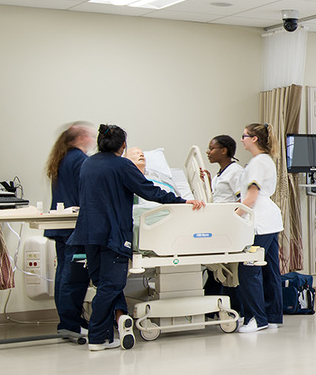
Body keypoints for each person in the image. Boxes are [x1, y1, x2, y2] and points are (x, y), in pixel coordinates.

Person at [67, 123, 203, 352]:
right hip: (113, 234)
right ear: (123, 147)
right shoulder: (122, 166)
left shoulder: (88, 163)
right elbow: (150, 192)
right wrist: (183, 201)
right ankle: (98, 337)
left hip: (89, 233)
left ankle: (116, 324)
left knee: (103, 283)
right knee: (112, 284)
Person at [43, 121, 95, 339]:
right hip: (75, 229)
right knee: (74, 277)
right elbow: (90, 192)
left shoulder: (62, 158)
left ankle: (69, 321)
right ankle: (70, 324)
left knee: (63, 274)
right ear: (81, 137)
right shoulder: (81, 160)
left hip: (62, 228)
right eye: (90, 135)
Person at [238, 123, 286, 333]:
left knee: (249, 269)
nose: (242, 140)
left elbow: (251, 197)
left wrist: (232, 217)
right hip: (270, 220)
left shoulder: (258, 162)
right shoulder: (266, 160)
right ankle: (272, 317)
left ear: (254, 139)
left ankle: (257, 319)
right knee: (269, 269)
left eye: (244, 136)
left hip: (259, 220)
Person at [201, 134, 245, 203]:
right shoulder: (218, 176)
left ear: (223, 151)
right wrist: (208, 182)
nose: (207, 152)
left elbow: (243, 199)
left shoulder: (236, 171)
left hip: (229, 213)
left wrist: (232, 212)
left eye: (211, 149)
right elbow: (218, 197)